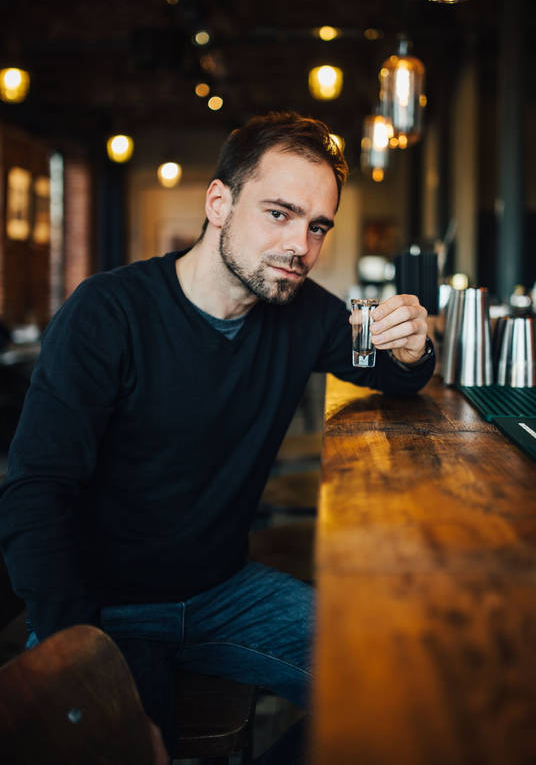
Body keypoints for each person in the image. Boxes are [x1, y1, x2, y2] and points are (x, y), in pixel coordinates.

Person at [0, 111, 435, 763]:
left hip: (226, 594)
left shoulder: (303, 311)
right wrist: (75, 651)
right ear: (219, 203)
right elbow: (34, 491)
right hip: (106, 608)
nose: (300, 246)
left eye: (317, 227)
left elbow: (398, 375)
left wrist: (413, 346)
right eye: (280, 213)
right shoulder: (108, 312)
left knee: (408, 691)